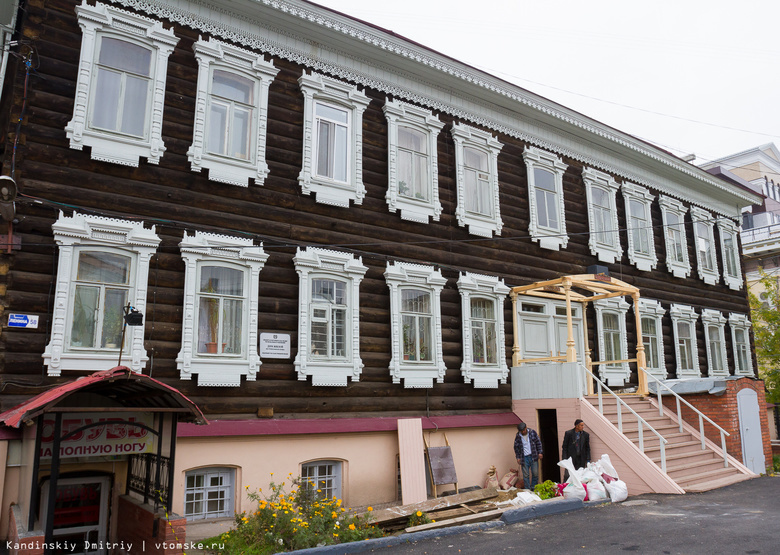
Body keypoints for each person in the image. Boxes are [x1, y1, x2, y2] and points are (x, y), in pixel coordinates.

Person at [513, 422, 543, 489]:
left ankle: (534, 487)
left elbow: (538, 443)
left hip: (533, 456)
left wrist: (540, 452)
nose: (523, 432)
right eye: (521, 431)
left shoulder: (532, 433)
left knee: (535, 473)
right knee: (526, 475)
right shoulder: (518, 436)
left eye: (523, 430)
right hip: (524, 458)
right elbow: (516, 447)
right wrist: (518, 457)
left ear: (526, 428)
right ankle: (527, 489)